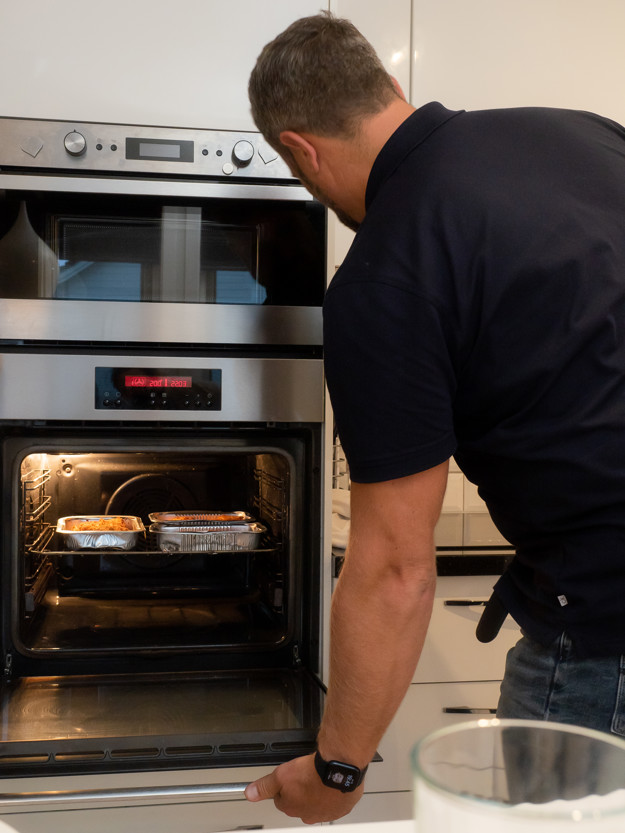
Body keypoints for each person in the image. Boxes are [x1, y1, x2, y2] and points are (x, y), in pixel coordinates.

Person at [245, 10, 625, 825]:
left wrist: (336, 768)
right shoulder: (585, 133)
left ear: (301, 150)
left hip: (607, 627)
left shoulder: (386, 272)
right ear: (389, 87)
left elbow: (394, 568)